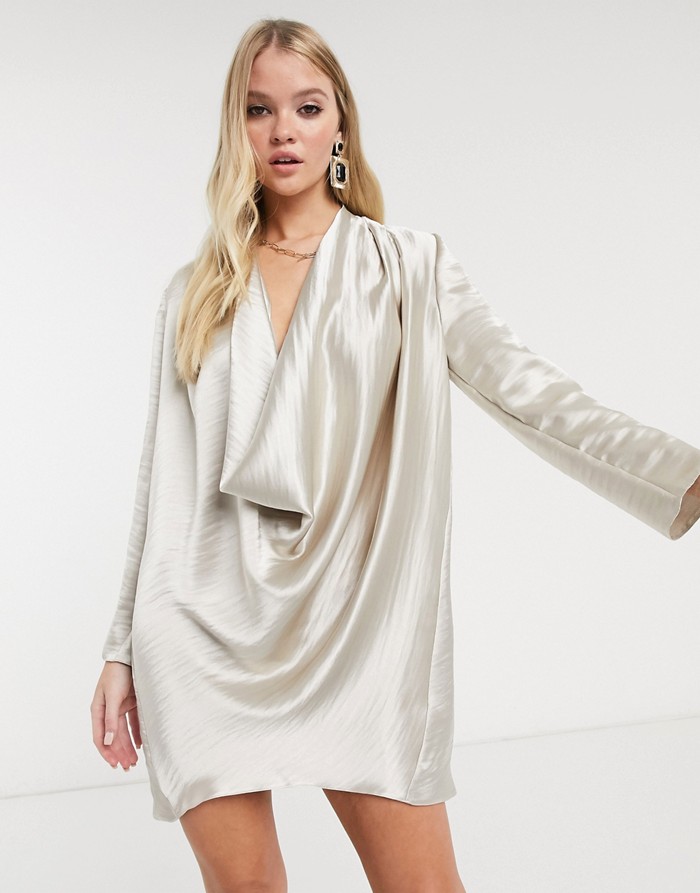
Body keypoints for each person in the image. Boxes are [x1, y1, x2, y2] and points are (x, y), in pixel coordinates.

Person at [90, 17, 700, 893]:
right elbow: (162, 481)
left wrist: (682, 471)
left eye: (307, 107)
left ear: (340, 122)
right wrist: (120, 647)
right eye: (259, 110)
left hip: (360, 631)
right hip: (202, 637)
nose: (283, 130)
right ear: (236, 126)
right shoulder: (195, 291)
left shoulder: (409, 266)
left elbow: (532, 392)